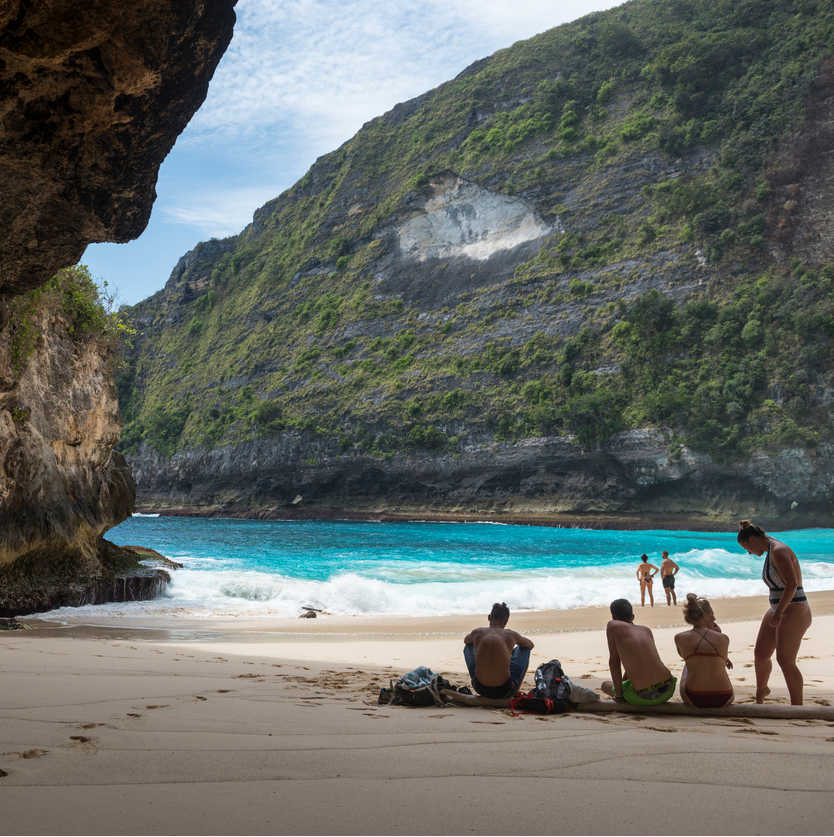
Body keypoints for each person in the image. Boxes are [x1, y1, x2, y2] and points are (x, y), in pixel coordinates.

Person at [737, 519, 812, 705]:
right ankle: (761, 694)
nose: (748, 552)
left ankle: (797, 705)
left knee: (785, 660)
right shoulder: (770, 547)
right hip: (778, 607)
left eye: (747, 548)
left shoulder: (778, 551)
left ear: (752, 540)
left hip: (794, 608)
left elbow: (792, 584)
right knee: (761, 654)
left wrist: (779, 613)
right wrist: (776, 611)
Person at [601, 598, 676, 706]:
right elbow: (641, 661)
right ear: (632, 617)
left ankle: (620, 693)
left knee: (605, 685)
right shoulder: (646, 630)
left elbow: (614, 662)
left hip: (643, 696)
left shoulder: (613, 625)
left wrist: (619, 696)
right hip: (668, 689)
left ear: (613, 617)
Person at [463, 602, 534, 698]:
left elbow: (466, 640)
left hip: (480, 688)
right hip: (505, 690)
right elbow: (530, 645)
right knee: (525, 649)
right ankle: (515, 690)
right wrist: (511, 650)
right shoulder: (510, 634)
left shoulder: (478, 632)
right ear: (506, 621)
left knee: (468, 647)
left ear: (489, 617)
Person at [674, 593, 734, 708]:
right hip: (724, 697)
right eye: (712, 614)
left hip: (694, 698)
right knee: (718, 663)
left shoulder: (679, 638)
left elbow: (683, 655)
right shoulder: (723, 638)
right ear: (705, 615)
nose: (714, 618)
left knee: (689, 663)